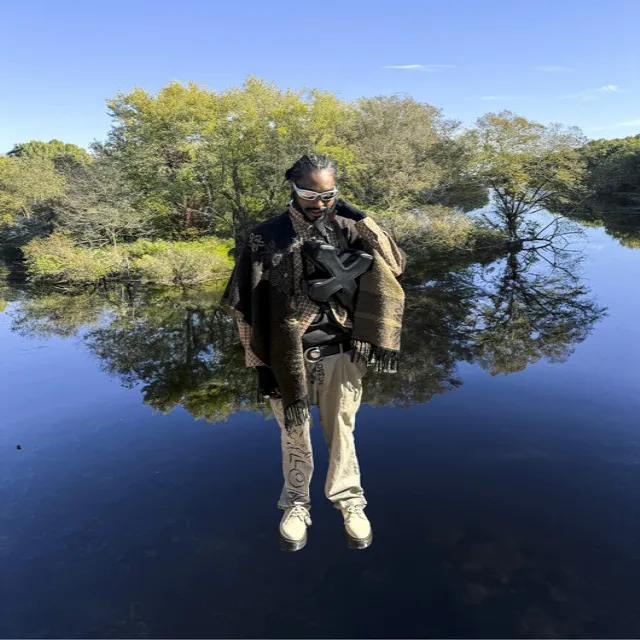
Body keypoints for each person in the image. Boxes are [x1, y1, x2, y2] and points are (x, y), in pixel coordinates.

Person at [222, 154, 405, 551]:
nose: (319, 203)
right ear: (293, 187)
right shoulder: (265, 236)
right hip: (287, 355)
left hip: (341, 351)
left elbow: (395, 264)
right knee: (294, 434)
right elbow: (244, 308)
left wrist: (364, 219)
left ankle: (349, 502)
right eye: (309, 194)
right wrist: (260, 364)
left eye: (328, 195)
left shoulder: (349, 228)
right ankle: (297, 504)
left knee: (342, 430)